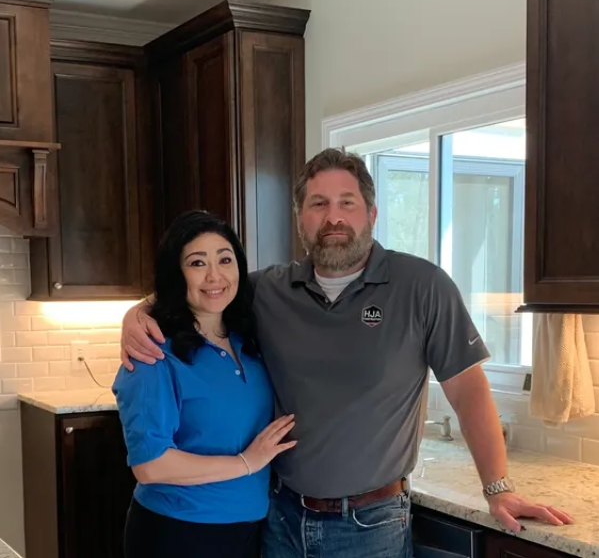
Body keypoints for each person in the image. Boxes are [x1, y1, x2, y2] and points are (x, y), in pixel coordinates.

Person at [120, 149, 573, 558]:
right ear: (301, 219)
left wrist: (497, 488)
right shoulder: (266, 290)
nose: (332, 216)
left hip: (370, 526)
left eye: (346, 202)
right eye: (318, 204)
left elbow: (469, 392)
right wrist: (138, 313)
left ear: (372, 213)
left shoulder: (422, 286)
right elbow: (203, 293)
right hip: (278, 518)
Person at [112, 210, 296, 558]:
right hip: (178, 533)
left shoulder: (248, 339)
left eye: (225, 259)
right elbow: (150, 465)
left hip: (250, 528)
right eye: (197, 263)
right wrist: (247, 462)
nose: (215, 275)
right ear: (175, 274)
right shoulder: (152, 352)